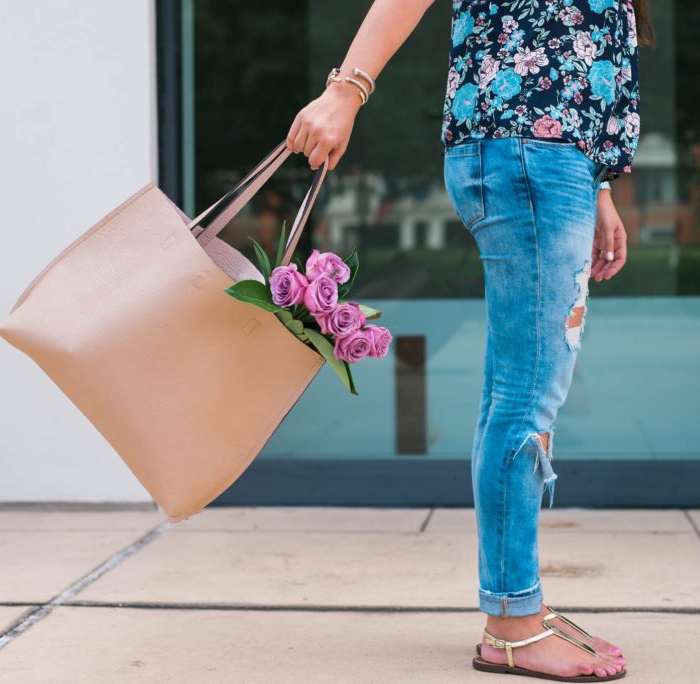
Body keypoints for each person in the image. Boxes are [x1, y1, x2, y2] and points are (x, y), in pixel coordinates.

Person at [287, 1, 650, 680]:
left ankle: (520, 609)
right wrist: (346, 91)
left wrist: (598, 187)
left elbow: (584, 45)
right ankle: (512, 625)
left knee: (519, 390)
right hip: (528, 154)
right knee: (526, 395)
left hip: (550, 158)